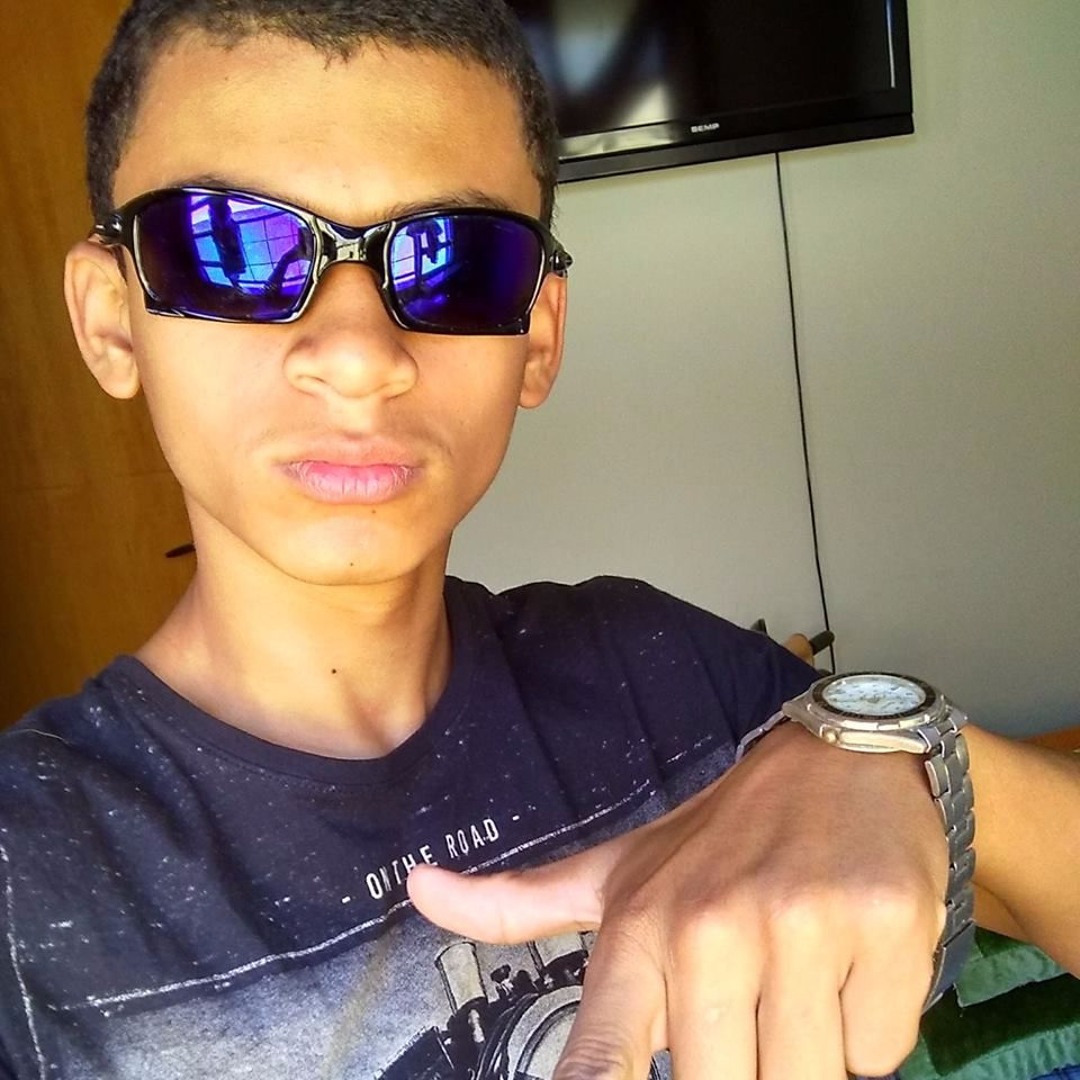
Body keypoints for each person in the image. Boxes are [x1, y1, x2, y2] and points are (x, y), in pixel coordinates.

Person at [1, 1, 1077, 1078]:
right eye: (231, 247)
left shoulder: (657, 669)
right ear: (109, 317)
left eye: (456, 260)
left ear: (538, 338)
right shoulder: (27, 874)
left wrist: (910, 759)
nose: (360, 355)